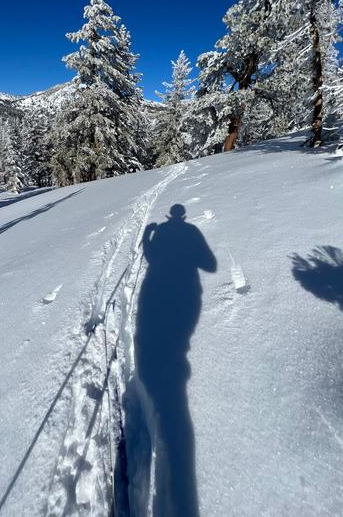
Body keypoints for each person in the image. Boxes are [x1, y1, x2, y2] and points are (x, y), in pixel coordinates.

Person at [135, 203, 217, 517]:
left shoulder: (164, 232)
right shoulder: (193, 232)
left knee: (161, 350)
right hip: (185, 300)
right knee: (175, 352)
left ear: (171, 215)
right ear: (183, 215)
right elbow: (209, 265)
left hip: (158, 296)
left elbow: (151, 257)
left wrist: (148, 233)